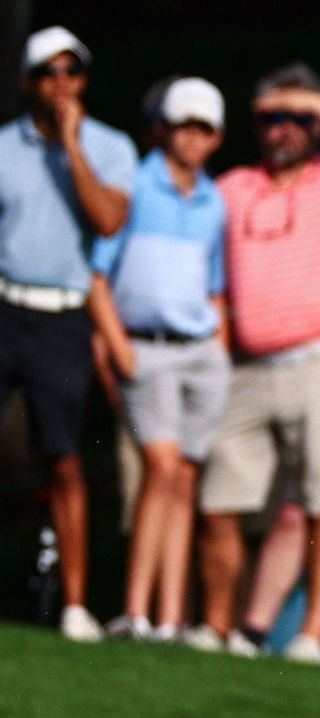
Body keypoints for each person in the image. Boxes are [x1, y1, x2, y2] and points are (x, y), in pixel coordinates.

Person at [191, 64, 320, 660]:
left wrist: (309, 100)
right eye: (271, 119)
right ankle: (219, 628)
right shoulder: (234, 187)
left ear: (315, 124)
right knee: (220, 503)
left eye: (295, 120)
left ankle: (310, 636)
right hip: (250, 368)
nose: (283, 130)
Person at [0, 26, 137, 642]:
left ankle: (76, 608)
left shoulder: (108, 147)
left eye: (71, 73)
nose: (61, 85)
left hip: (62, 316)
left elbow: (108, 220)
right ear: (29, 82)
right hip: (5, 305)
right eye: (48, 73)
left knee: (63, 459)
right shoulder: (4, 146)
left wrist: (73, 147)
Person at [88, 77, 230, 644]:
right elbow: (99, 276)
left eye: (203, 128)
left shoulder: (213, 199)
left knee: (184, 481)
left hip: (200, 351)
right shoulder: (136, 185)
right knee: (162, 470)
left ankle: (170, 617)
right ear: (162, 129)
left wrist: (217, 344)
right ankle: (135, 611)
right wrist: (118, 344)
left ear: (216, 138)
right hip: (145, 346)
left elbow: (214, 284)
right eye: (182, 126)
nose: (191, 138)